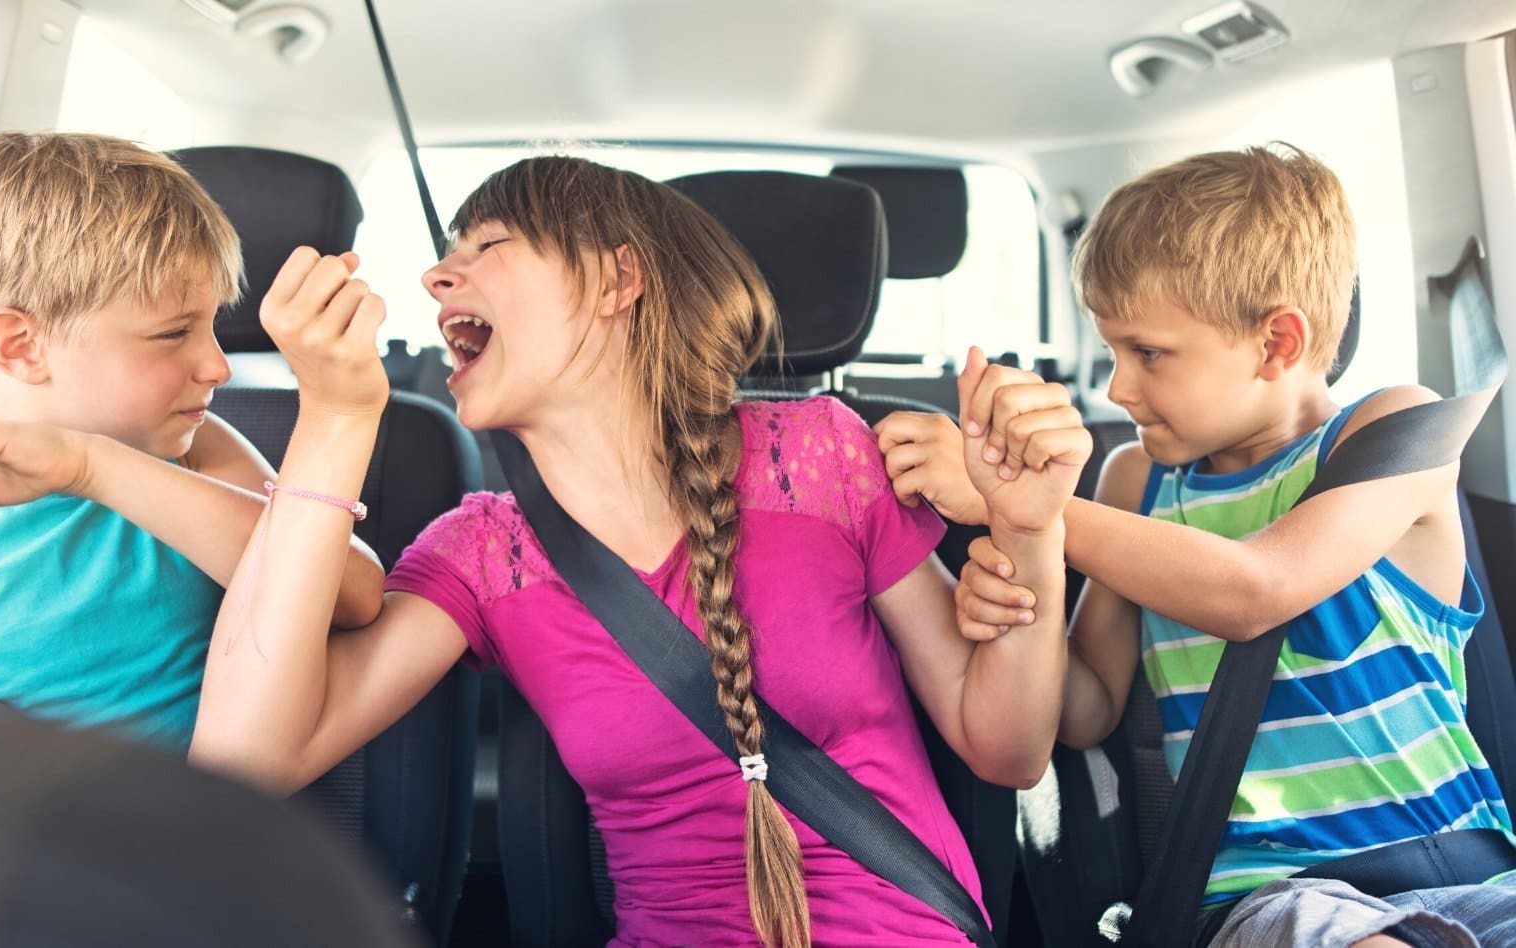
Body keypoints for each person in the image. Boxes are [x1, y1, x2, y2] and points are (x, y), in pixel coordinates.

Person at [187, 155, 1090, 947]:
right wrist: (340, 419)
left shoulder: (820, 457)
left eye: (487, 244)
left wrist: (1029, 528)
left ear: (619, 279)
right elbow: (245, 764)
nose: (435, 275)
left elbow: (1003, 749)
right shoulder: (483, 553)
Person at [879, 143, 1516, 948]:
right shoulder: (1134, 481)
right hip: (1274, 895)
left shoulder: (1389, 432)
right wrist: (1025, 587)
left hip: (1471, 872)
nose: (1116, 387)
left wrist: (1043, 514)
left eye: (1147, 352)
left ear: (1277, 342)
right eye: (1111, 349)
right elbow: (1089, 710)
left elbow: (1258, 589)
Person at [0, 131, 385, 753]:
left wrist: (98, 469)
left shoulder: (195, 450)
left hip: (180, 828)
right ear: (21, 347)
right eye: (172, 334)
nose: (218, 366)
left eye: (211, 325)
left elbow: (352, 595)